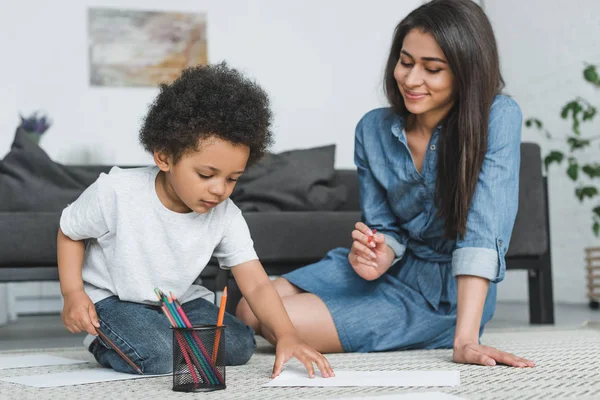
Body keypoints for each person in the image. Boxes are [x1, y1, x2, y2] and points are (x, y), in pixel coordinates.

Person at [237, 0, 535, 368]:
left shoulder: (498, 117)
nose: (411, 79)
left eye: (433, 69)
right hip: (393, 271)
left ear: (466, 72)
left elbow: (483, 231)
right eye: (406, 62)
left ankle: (437, 330)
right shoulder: (372, 128)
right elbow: (385, 227)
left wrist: (466, 339)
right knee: (249, 308)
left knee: (280, 322)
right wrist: (380, 254)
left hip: (443, 293)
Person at [57, 63, 333, 378]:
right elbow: (69, 232)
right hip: (115, 301)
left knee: (241, 345)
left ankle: (152, 337)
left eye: (232, 178)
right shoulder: (116, 192)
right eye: (206, 174)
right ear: (164, 156)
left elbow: (256, 283)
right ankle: (103, 341)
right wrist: (73, 293)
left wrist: (287, 334)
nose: (219, 189)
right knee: (159, 356)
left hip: (178, 304)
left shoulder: (226, 213)